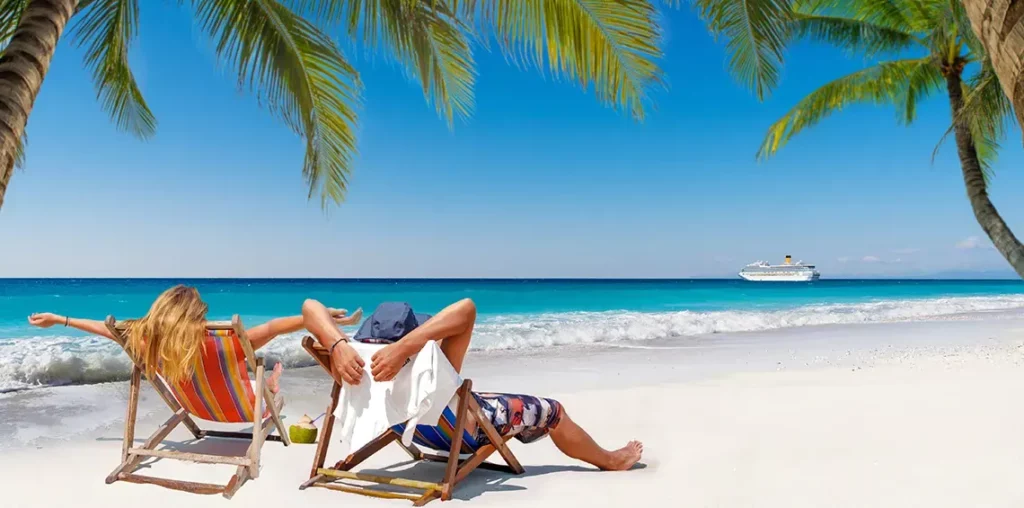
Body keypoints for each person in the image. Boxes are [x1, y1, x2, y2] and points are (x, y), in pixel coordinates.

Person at [302, 297, 643, 471]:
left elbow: (309, 307)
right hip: (461, 431)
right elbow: (466, 309)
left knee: (477, 396)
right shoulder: (427, 364)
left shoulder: (350, 364)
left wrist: (338, 343)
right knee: (552, 410)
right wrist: (408, 347)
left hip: (406, 422)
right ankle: (610, 460)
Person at [28, 284, 359, 392]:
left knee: (249, 378)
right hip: (234, 407)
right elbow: (274, 327)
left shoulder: (137, 338)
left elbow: (102, 327)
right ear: (196, 316)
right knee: (263, 384)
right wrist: (318, 318)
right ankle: (270, 386)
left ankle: (266, 384)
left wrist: (59, 319)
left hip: (193, 404)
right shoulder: (227, 341)